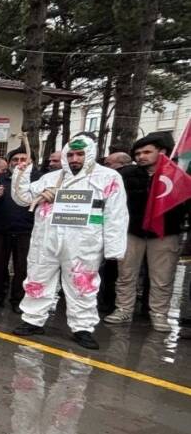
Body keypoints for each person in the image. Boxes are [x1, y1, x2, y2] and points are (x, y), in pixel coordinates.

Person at [10, 134, 128, 350]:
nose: (75, 159)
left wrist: (114, 248)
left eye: (80, 154)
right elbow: (22, 197)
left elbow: (117, 214)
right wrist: (23, 171)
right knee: (38, 277)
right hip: (47, 239)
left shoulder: (107, 178)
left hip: (84, 242)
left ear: (90, 154)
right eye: (71, 154)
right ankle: (33, 320)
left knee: (82, 284)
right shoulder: (52, 178)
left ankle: (82, 327)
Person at [105, 133, 187, 332]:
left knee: (162, 278)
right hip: (132, 231)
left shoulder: (179, 174)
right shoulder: (127, 174)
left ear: (163, 152)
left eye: (147, 152)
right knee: (126, 274)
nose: (141, 156)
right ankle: (123, 308)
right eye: (138, 153)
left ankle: (159, 314)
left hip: (165, 233)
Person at [0, 147, 36, 313]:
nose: (19, 163)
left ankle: (18, 300)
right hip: (0, 230)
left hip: (26, 231)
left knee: (22, 268)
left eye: (23, 159)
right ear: (9, 163)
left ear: (31, 162)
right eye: (15, 160)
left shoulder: (38, 180)